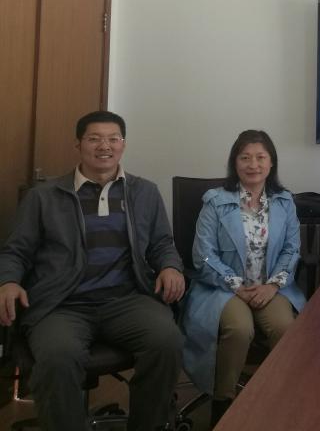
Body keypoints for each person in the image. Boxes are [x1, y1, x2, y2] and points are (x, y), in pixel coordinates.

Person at [0, 110, 184, 431]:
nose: (104, 146)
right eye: (94, 138)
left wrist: (170, 266)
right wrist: (8, 281)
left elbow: (162, 244)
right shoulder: (44, 197)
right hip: (62, 304)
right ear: (78, 145)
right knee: (57, 357)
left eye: (113, 139)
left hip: (126, 299)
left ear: (123, 145)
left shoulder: (144, 192)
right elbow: (16, 250)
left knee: (167, 341)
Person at [181, 130, 306, 425]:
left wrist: (273, 285)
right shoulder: (215, 201)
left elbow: (292, 249)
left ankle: (277, 399)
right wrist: (235, 285)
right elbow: (203, 254)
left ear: (271, 163)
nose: (253, 165)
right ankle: (222, 403)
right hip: (222, 287)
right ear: (234, 162)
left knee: (285, 327)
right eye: (245, 157)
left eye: (260, 157)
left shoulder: (284, 202)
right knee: (239, 329)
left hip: (270, 287)